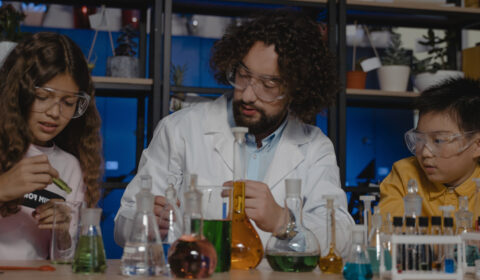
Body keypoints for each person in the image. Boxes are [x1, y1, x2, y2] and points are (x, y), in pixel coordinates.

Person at [115, 10, 354, 257]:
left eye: (268, 84)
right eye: (243, 76)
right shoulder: (181, 130)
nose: (249, 95)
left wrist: (284, 222)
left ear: (297, 88)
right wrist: (145, 223)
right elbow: (123, 224)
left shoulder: (314, 146)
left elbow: (343, 237)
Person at [0, 32, 103, 260]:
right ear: (18, 92)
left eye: (68, 103)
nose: (54, 113)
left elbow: (66, 261)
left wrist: (63, 234)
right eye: (43, 96)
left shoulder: (69, 167)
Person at [379, 77, 480, 219]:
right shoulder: (405, 175)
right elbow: (386, 231)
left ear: (477, 145)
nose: (425, 153)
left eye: (438, 140)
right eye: (419, 139)